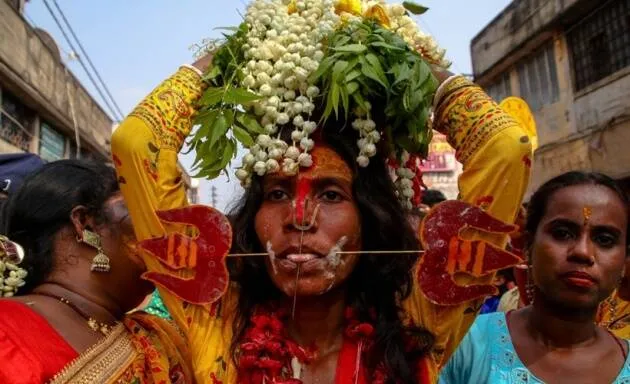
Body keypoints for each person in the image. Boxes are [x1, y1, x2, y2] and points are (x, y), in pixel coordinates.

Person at [111, 1, 531, 382]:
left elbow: (506, 150)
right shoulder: (214, 318)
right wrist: (232, 58)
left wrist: (405, 58)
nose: (299, 216)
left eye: (331, 195)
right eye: (276, 194)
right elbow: (134, 144)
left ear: (370, 218)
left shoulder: (420, 318)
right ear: (252, 217)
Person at [0, 160, 192, 383]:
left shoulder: (157, 341)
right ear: (85, 223)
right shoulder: (6, 331)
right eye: (141, 212)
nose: (162, 231)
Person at [439, 171, 630, 384]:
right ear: (529, 246)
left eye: (605, 239)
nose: (583, 252)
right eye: (562, 234)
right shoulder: (466, 344)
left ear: (624, 259)